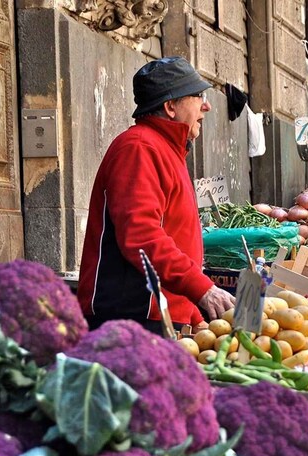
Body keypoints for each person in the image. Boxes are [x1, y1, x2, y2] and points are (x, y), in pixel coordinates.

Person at [78, 57, 235, 333]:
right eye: (198, 96)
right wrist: (202, 290)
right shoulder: (139, 148)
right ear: (170, 106)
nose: (206, 106)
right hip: (133, 318)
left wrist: (193, 315)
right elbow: (142, 236)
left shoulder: (167, 150)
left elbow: (175, 236)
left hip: (158, 316)